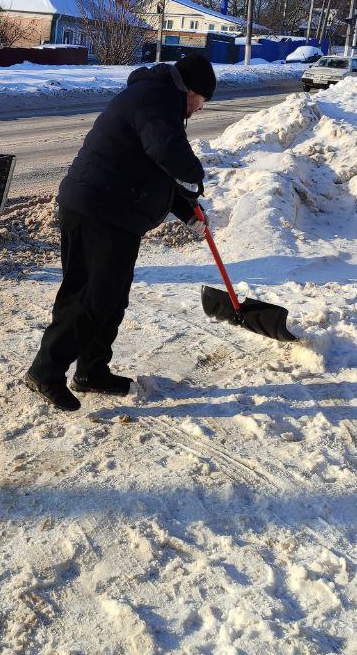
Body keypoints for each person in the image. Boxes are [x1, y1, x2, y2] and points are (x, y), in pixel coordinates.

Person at [25, 53, 216, 412]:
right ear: (191, 90)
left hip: (104, 207)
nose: (201, 108)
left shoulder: (156, 97)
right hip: (102, 211)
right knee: (93, 298)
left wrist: (186, 211)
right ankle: (45, 371)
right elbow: (167, 152)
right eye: (203, 99)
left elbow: (155, 168)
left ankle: (92, 371)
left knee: (107, 297)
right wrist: (196, 175)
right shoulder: (157, 98)